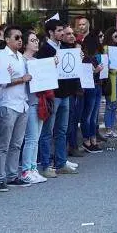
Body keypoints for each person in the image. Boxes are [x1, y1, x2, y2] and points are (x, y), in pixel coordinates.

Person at [37, 19, 78, 177]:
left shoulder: (65, 47)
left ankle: (61, 163)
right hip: (52, 95)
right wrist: (50, 64)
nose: (62, 33)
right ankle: (46, 165)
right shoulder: (44, 50)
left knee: (62, 130)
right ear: (51, 32)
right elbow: (41, 72)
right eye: (59, 30)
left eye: (63, 30)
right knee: (47, 131)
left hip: (65, 94)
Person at [0, 25, 32, 191]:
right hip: (7, 104)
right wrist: (21, 79)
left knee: (16, 144)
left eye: (21, 37)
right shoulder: (1, 57)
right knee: (4, 144)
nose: (20, 40)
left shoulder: (22, 58)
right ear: (7, 39)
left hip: (22, 104)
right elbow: (1, 81)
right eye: (16, 37)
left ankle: (11, 175)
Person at [20, 31, 48, 184]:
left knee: (35, 138)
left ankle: (33, 168)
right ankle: (26, 170)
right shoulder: (22, 60)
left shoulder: (36, 60)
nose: (36, 42)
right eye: (32, 40)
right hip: (29, 102)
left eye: (37, 40)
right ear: (25, 44)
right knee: (30, 138)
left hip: (39, 101)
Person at [62, 26, 85, 158]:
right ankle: (65, 150)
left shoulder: (76, 48)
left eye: (72, 33)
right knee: (66, 122)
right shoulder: (61, 50)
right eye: (68, 34)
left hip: (76, 90)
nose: (72, 36)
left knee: (74, 120)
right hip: (65, 92)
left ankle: (72, 146)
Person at [80, 33, 104, 153]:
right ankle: (87, 140)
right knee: (88, 115)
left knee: (94, 115)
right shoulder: (85, 58)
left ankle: (93, 139)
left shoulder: (93, 57)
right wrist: (96, 71)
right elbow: (85, 75)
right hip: (91, 87)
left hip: (97, 86)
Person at [102, 28, 117, 138]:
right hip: (110, 79)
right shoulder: (106, 48)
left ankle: (112, 129)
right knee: (110, 105)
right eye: (115, 36)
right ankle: (108, 129)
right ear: (110, 36)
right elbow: (106, 65)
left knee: (114, 105)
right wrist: (115, 70)